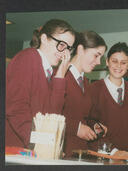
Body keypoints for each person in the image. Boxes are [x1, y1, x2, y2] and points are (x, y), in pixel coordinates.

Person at [6, 19, 76, 148]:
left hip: (31, 151)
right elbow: (16, 108)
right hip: (14, 150)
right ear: (44, 38)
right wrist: (38, 144)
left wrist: (60, 75)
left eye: (69, 48)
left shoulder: (50, 72)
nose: (64, 53)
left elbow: (52, 116)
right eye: (61, 44)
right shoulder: (28, 58)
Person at [87, 42, 128, 159]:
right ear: (107, 61)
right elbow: (90, 124)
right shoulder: (94, 89)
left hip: (127, 158)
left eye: (123, 63)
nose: (118, 66)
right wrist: (114, 152)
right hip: (102, 156)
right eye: (114, 61)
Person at [62, 31, 108, 158]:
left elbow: (83, 116)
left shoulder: (86, 83)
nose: (99, 62)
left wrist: (94, 126)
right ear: (81, 49)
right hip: (62, 151)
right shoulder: (60, 76)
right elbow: (49, 113)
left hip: (79, 152)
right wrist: (76, 128)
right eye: (96, 55)